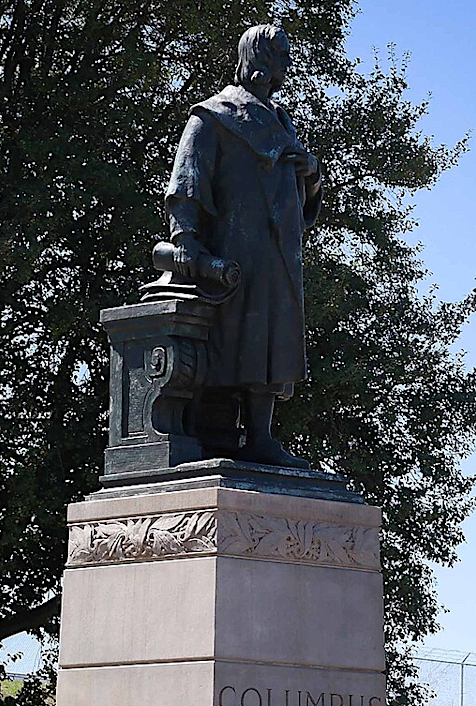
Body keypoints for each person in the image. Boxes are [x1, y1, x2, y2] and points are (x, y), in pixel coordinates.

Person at [166, 25, 322, 469]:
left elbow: (302, 195)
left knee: (275, 334)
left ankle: (260, 435)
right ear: (258, 61)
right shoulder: (212, 116)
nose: (285, 71)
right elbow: (187, 182)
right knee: (238, 336)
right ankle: (216, 429)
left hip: (279, 252)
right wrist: (186, 239)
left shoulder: (282, 121)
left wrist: (310, 172)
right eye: (279, 61)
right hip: (234, 252)